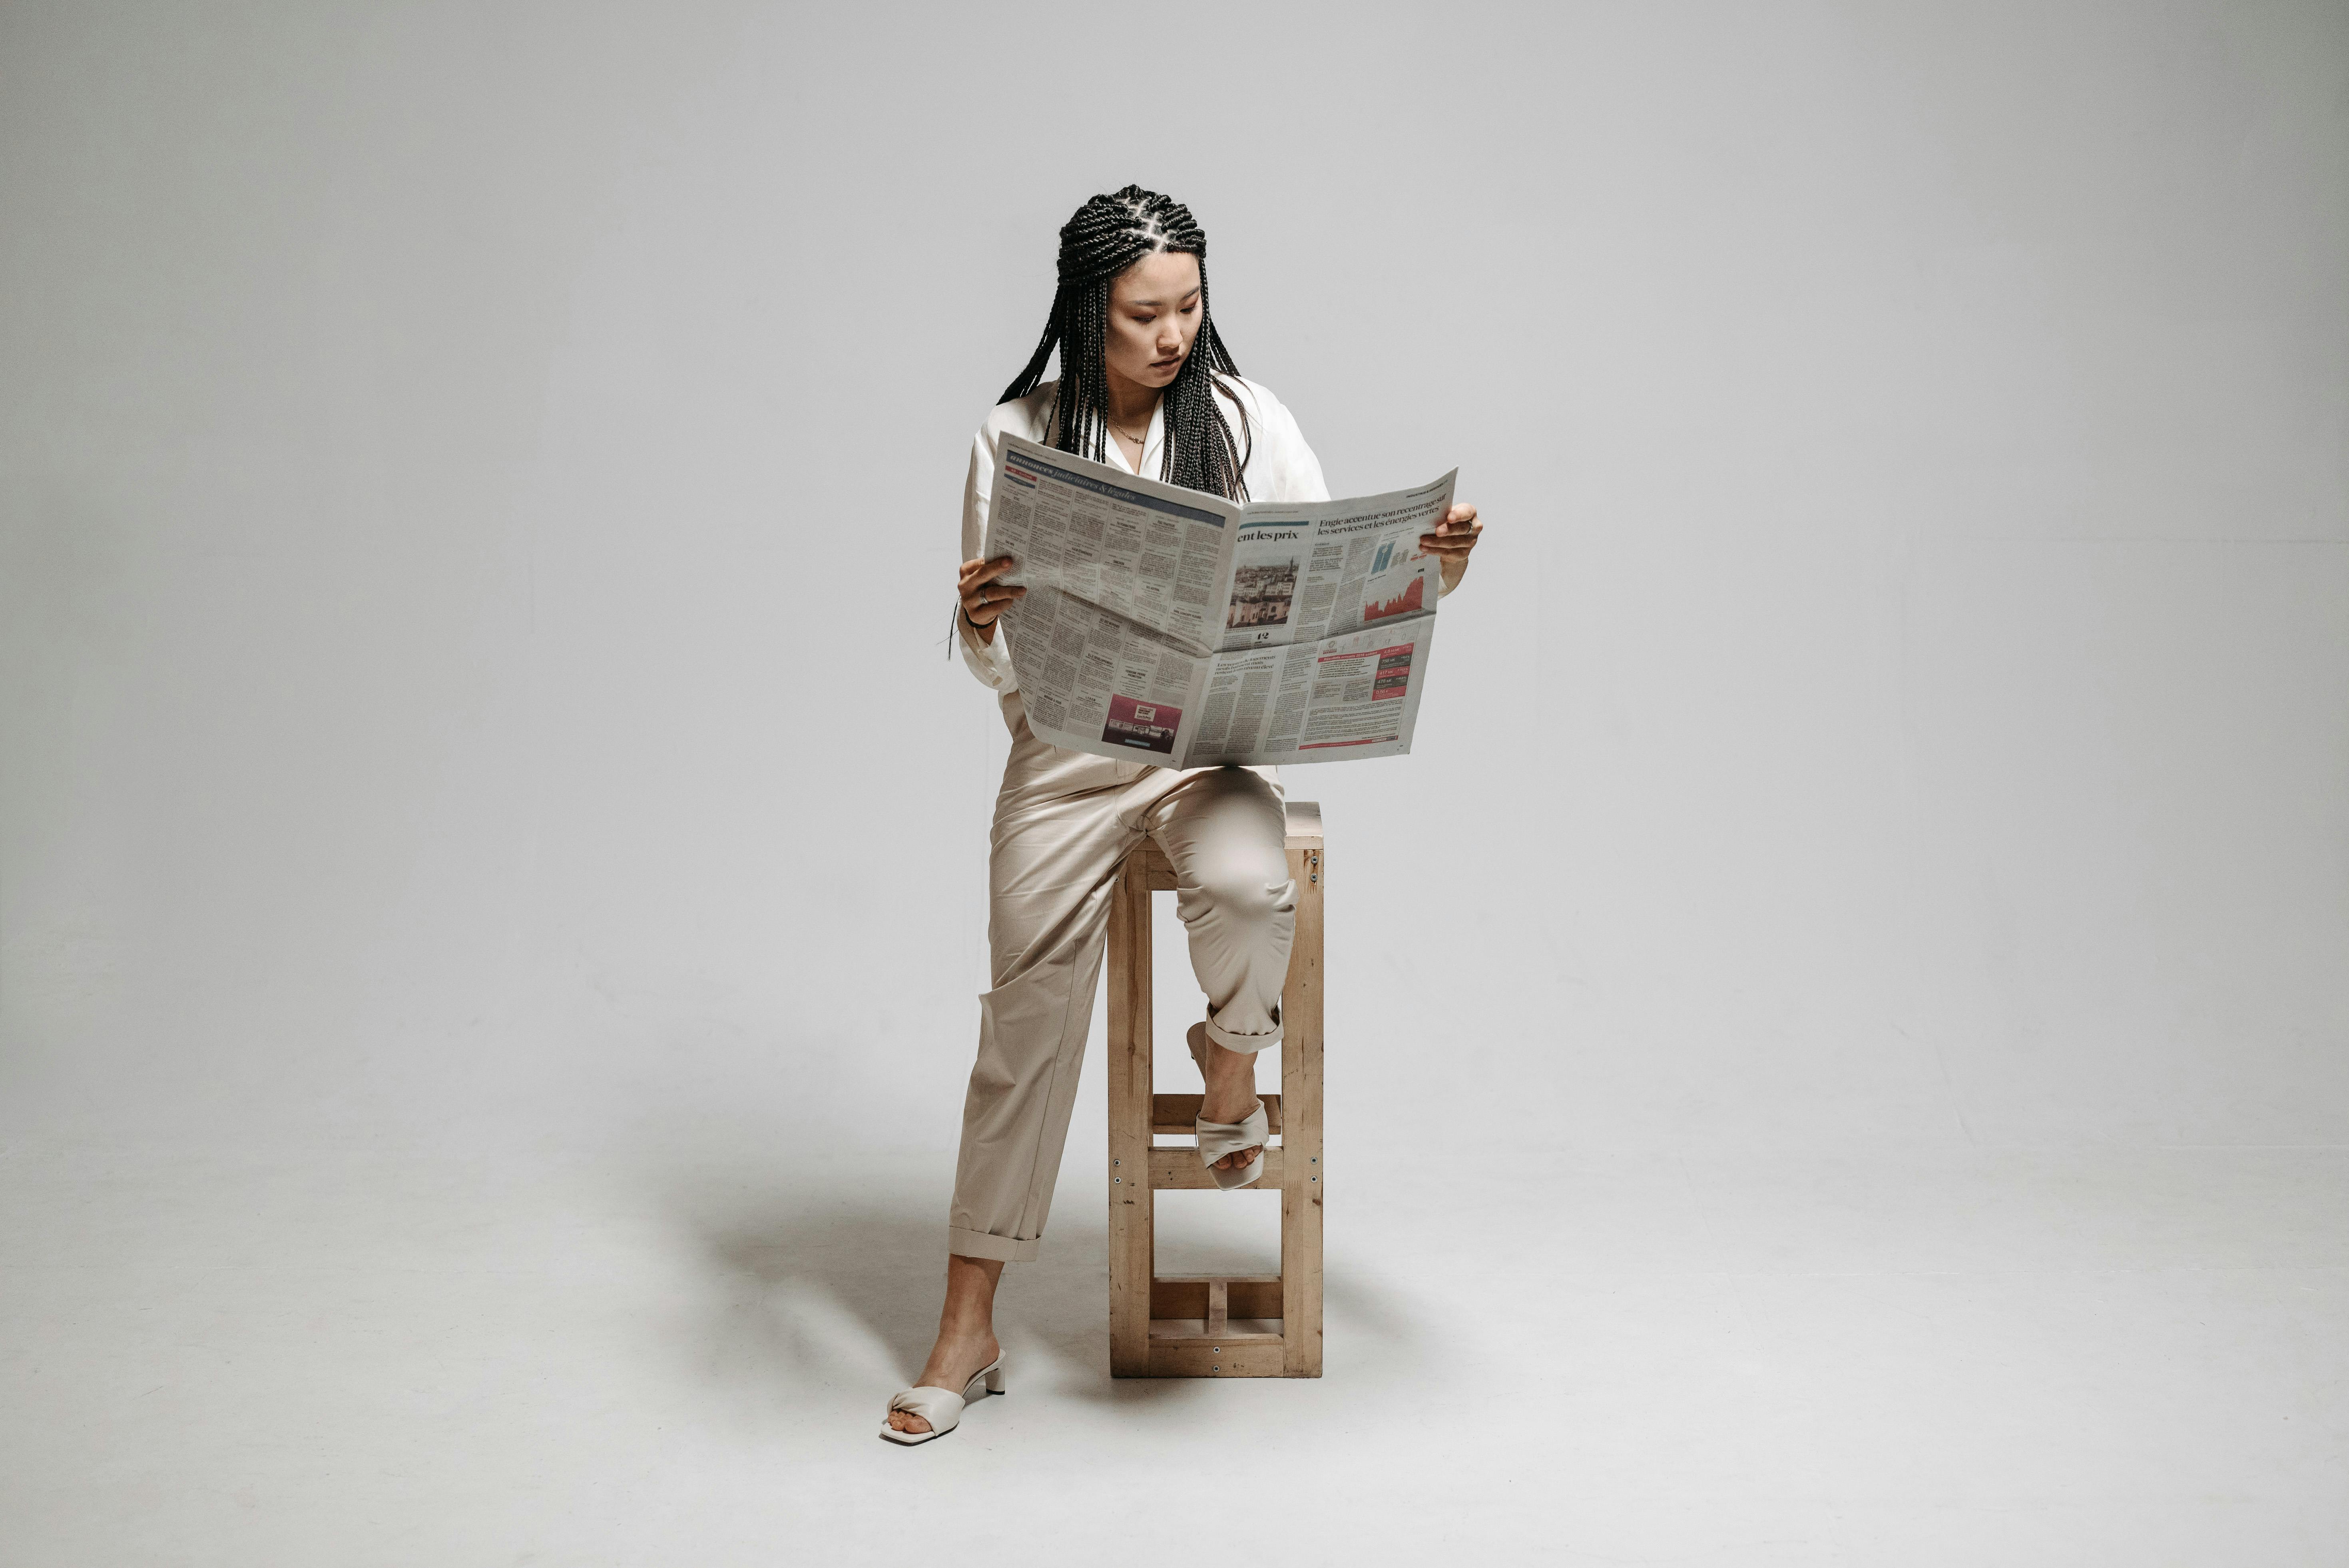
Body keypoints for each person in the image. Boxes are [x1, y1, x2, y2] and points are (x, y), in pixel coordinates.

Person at [883, 185, 1485, 1442]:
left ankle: (1231, 1054)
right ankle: (967, 1323)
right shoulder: (1018, 435)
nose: (1172, 334)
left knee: (1258, 884)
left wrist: (1429, 570)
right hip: (1066, 761)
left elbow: (1327, 585)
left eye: (1190, 306)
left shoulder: (1249, 419)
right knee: (1023, 1026)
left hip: (1207, 756)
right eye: (1144, 313)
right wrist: (987, 626)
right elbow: (1004, 672)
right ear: (1086, 311)